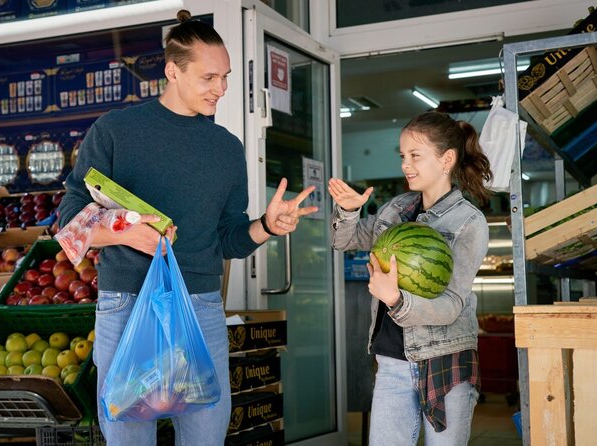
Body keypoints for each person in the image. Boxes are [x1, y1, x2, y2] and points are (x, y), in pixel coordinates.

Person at [58, 10, 317, 445]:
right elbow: (69, 219)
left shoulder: (227, 149)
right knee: (127, 435)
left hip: (200, 306)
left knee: (206, 436)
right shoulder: (116, 132)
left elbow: (229, 239)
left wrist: (267, 227)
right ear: (172, 71)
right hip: (125, 303)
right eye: (209, 77)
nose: (222, 89)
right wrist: (125, 232)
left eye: (226, 77)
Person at [328, 112, 493, 445]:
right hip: (392, 360)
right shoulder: (396, 207)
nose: (406, 164)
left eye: (415, 155)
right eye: (403, 156)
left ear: (446, 159)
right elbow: (346, 240)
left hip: (445, 360)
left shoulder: (469, 222)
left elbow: (450, 305)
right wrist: (348, 211)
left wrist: (395, 299)